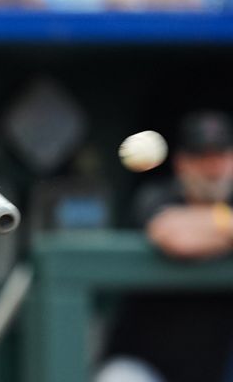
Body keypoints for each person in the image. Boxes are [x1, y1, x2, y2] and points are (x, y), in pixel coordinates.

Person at [96, 110, 233, 382]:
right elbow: (176, 237)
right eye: (202, 157)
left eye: (220, 156)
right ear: (182, 163)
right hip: (146, 365)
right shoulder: (157, 195)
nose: (213, 168)